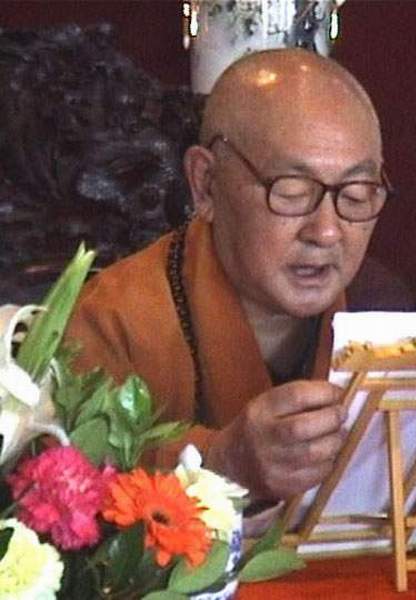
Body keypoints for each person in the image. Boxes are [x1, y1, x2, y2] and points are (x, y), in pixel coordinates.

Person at [65, 49, 392, 519]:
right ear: (206, 184)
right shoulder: (112, 324)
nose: (326, 231)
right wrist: (222, 464)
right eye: (292, 190)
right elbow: (64, 498)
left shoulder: (384, 311)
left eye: (356, 195)